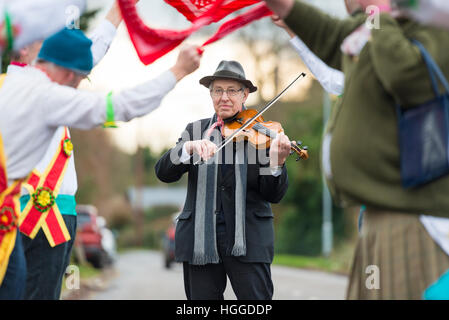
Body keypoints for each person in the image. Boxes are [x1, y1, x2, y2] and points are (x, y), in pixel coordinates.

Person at [263, 0, 449, 299]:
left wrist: (377, 13)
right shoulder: (381, 25)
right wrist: (288, 10)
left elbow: (408, 76)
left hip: (416, 221)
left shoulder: (436, 22)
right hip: (383, 216)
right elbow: (333, 36)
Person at [0, 25, 201, 299]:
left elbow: (84, 52)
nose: (78, 86)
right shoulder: (48, 96)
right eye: (80, 79)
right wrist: (178, 71)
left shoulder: (10, 85)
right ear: (70, 75)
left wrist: (119, 11)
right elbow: (121, 106)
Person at [155, 60, 291, 300]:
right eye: (218, 90)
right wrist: (187, 148)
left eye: (232, 90)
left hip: (248, 238)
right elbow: (163, 172)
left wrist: (276, 162)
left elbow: (274, 194)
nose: (224, 97)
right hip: (200, 240)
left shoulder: (261, 134)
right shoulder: (195, 131)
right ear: (211, 94)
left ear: (245, 94)